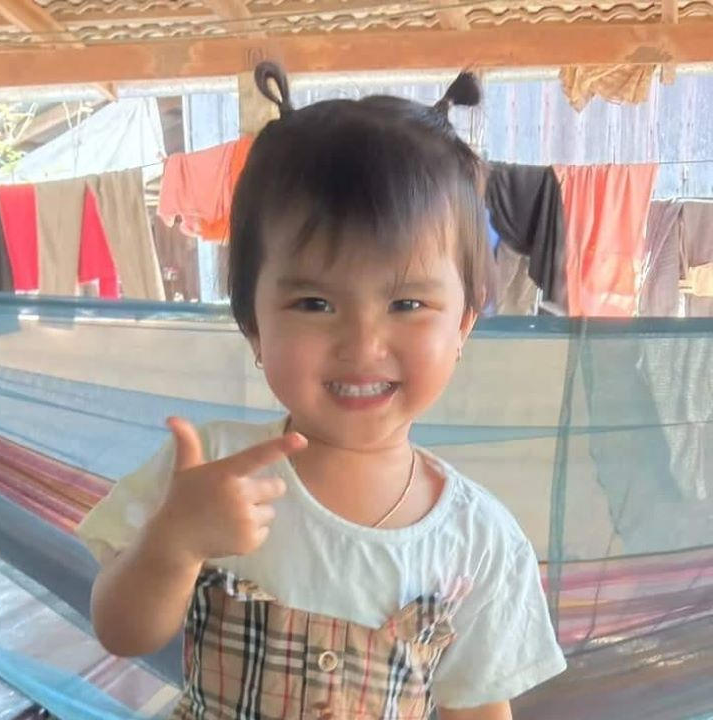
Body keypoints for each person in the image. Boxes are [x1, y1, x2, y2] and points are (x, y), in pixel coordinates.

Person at [78, 62, 566, 720]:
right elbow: (120, 631)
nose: (362, 344)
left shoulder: (481, 544)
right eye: (314, 303)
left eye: (407, 303)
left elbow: (478, 710)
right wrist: (174, 543)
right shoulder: (208, 474)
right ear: (253, 324)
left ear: (463, 324)